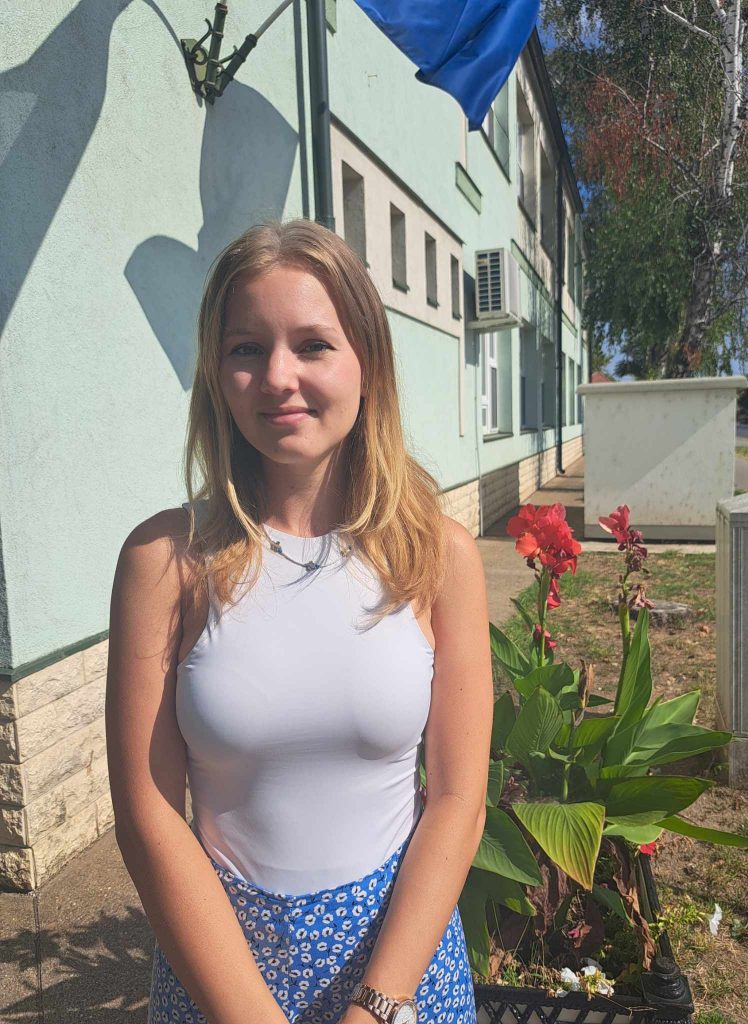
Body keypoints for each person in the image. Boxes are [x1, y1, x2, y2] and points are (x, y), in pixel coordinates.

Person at [105, 218, 493, 1024]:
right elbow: (148, 814)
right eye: (246, 349)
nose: (278, 376)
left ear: (367, 363)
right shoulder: (165, 562)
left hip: (401, 975)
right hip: (220, 975)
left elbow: (458, 799)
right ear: (217, 373)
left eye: (313, 345)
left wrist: (376, 1008)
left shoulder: (437, 556)